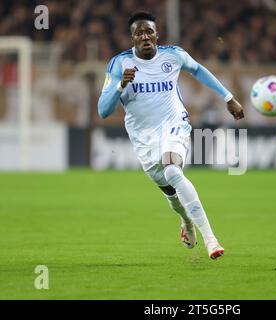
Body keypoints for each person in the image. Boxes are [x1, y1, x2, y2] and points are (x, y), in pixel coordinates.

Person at [97, 11, 244, 259]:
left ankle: (211, 239)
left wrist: (228, 98)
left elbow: (198, 70)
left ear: (156, 34)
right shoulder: (119, 64)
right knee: (169, 191)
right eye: (139, 33)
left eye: (149, 31)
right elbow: (103, 110)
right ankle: (186, 220)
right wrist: (121, 84)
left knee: (173, 170)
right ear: (132, 38)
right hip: (143, 137)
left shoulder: (173, 55)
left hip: (173, 124)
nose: (145, 36)